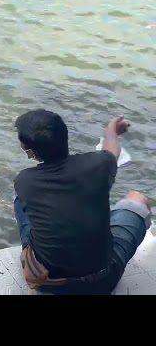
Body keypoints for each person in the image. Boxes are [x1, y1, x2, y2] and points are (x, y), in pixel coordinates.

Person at [12, 109, 152, 295]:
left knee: (20, 201)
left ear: (33, 153)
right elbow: (113, 149)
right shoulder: (99, 164)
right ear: (65, 137)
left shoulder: (24, 181)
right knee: (138, 199)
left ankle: (29, 258)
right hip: (103, 281)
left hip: (50, 284)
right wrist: (112, 129)